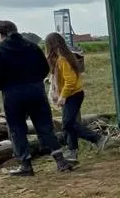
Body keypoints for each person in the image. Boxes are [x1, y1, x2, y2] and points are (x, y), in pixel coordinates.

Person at [0, 21, 74, 176]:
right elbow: (44, 68)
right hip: (36, 91)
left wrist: (3, 86)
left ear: (0, 33)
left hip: (12, 94)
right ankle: (60, 161)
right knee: (45, 126)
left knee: (17, 129)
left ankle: (25, 165)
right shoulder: (32, 46)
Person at [44, 32, 107, 163]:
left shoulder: (62, 59)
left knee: (68, 123)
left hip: (72, 95)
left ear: (50, 45)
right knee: (69, 124)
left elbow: (71, 81)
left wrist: (62, 96)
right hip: (73, 94)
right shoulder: (65, 57)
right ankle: (72, 152)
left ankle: (97, 138)